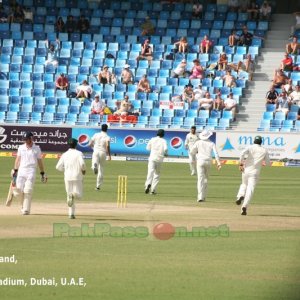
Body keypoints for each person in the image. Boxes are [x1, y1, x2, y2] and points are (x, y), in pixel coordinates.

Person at [11, 132, 47, 215]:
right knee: (18, 191)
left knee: (28, 190)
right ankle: (23, 206)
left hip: (31, 170)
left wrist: (42, 172)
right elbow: (18, 159)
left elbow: (39, 161)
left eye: (27, 139)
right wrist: (15, 170)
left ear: (31, 138)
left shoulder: (37, 148)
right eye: (24, 140)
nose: (26, 141)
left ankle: (26, 209)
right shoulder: (21, 148)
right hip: (21, 170)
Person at [236, 135, 270, 215]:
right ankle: (244, 206)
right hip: (255, 172)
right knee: (250, 189)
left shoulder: (250, 147)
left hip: (246, 169)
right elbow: (268, 163)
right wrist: (263, 162)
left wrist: (241, 164)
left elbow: (242, 153)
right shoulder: (264, 150)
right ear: (261, 142)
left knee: (244, 184)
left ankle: (240, 195)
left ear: (254, 141)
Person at [55, 138, 86, 219]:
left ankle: (71, 214)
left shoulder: (64, 154)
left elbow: (58, 167)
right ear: (76, 145)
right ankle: (73, 195)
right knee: (79, 196)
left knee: (69, 196)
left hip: (67, 177)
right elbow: (82, 164)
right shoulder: (79, 153)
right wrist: (83, 171)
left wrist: (65, 170)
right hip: (77, 176)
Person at [190, 130, 221, 202]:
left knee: (200, 179)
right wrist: (218, 163)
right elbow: (216, 154)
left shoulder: (198, 142)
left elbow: (192, 152)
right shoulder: (211, 143)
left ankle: (200, 196)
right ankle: (203, 196)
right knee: (206, 179)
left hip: (200, 161)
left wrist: (196, 154)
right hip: (208, 162)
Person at [144, 129, 168, 195]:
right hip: (159, 159)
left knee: (150, 172)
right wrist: (166, 153)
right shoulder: (164, 141)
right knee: (157, 174)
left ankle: (147, 185)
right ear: (163, 134)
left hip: (152, 158)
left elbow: (147, 148)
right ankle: (153, 190)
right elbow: (166, 149)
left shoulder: (152, 139)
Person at [89, 124, 111, 191]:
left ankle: (94, 167)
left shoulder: (96, 134)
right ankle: (98, 186)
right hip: (103, 153)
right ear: (107, 129)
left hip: (96, 151)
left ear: (101, 128)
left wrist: (93, 148)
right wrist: (109, 155)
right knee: (101, 169)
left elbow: (90, 144)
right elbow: (107, 146)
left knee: (94, 164)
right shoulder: (107, 137)